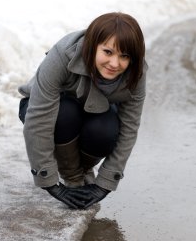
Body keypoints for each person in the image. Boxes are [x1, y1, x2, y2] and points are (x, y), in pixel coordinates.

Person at [18, 12, 147, 210]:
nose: (114, 64)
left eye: (124, 56)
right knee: (66, 113)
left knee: (106, 129)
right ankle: (73, 175)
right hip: (46, 109)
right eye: (108, 52)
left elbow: (129, 128)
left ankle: (83, 169)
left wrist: (106, 183)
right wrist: (49, 181)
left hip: (95, 111)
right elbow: (39, 118)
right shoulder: (63, 53)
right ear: (93, 44)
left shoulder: (136, 74)